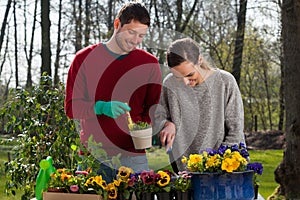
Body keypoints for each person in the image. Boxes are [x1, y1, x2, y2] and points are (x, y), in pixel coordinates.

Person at [64, 2, 162, 182]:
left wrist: (145, 128)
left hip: (134, 157)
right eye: (131, 32)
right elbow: (71, 108)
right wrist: (101, 107)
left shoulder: (150, 64)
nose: (135, 40)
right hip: (93, 157)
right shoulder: (83, 59)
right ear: (117, 24)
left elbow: (153, 108)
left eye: (141, 35)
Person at [154, 38, 245, 172]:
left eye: (190, 74)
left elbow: (235, 130)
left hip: (224, 170)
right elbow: (159, 116)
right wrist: (166, 124)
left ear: (200, 60)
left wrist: (219, 165)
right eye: (178, 76)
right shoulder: (170, 84)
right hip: (185, 171)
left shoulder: (225, 82)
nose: (185, 82)